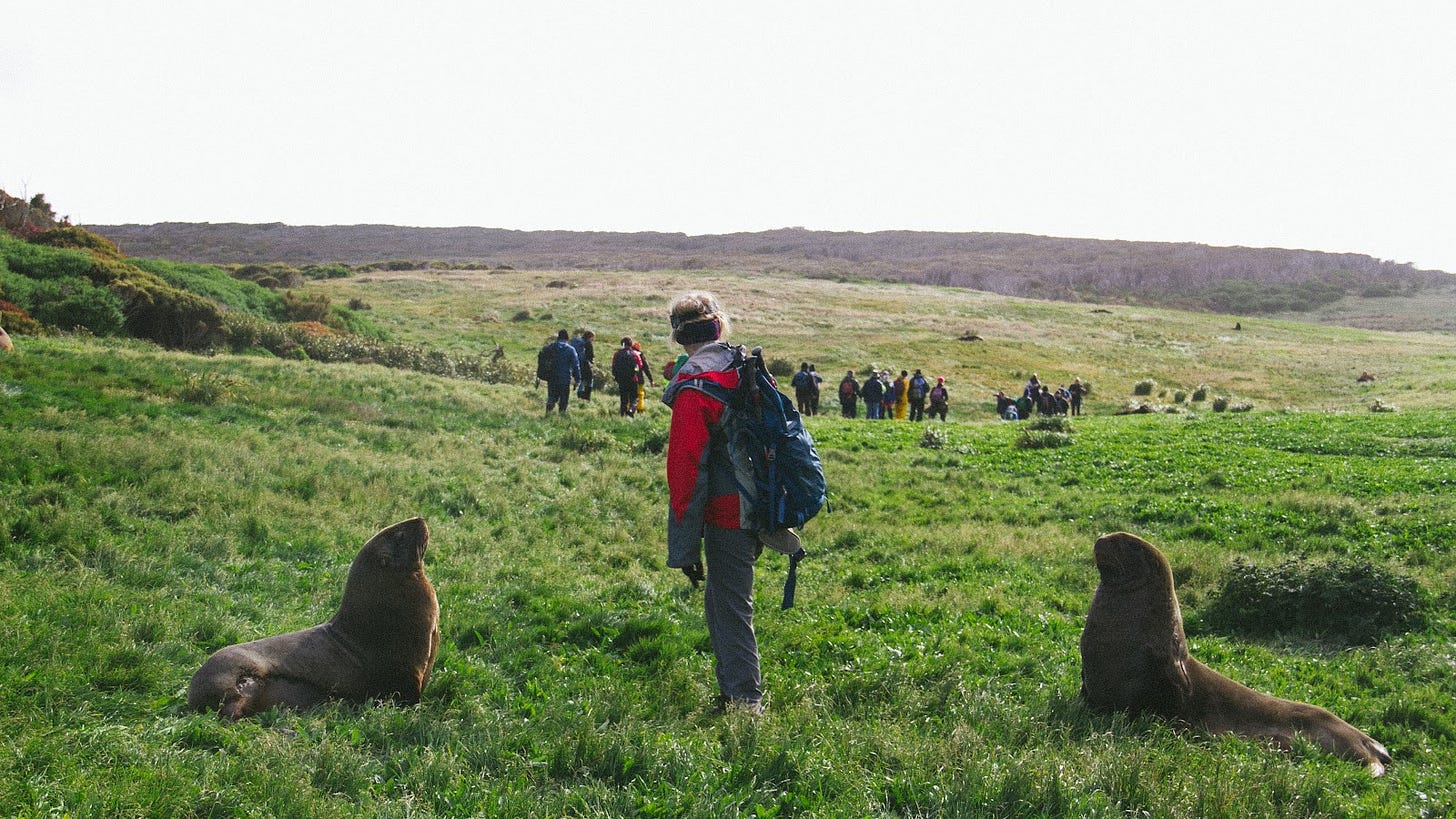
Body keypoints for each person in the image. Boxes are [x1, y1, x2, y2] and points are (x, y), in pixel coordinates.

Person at [660, 291, 765, 715]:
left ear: (679, 336)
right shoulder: (742, 366)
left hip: (726, 512)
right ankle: (735, 693)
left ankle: (745, 702)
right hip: (759, 501)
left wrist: (682, 548)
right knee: (725, 601)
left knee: (730, 605)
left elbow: (685, 474)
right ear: (718, 326)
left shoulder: (695, 387)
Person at [542, 329, 580, 416]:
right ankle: (561, 416)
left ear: (558, 338)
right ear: (567, 338)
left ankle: (548, 414)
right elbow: (576, 366)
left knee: (551, 397)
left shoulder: (550, 347)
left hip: (552, 377)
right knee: (564, 399)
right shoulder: (571, 350)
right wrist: (578, 379)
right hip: (565, 378)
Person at [612, 336, 642, 416]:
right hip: (633, 379)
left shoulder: (617, 354)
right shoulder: (635, 354)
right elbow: (640, 366)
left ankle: (622, 414)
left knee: (623, 398)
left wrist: (616, 377)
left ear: (622, 344)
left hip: (621, 379)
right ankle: (631, 410)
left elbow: (614, 366)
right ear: (631, 344)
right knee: (634, 398)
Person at [570, 330, 596, 400]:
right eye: (592, 338)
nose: (593, 340)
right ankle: (586, 396)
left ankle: (580, 396)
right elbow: (591, 356)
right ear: (590, 337)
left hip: (575, 363)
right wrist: (591, 363)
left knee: (581, 379)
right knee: (590, 380)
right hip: (584, 364)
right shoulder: (588, 343)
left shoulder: (577, 341)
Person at [632, 340, 655, 414]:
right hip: (640, 379)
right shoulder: (640, 355)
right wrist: (651, 380)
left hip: (630, 379)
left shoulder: (628, 354)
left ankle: (629, 409)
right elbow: (646, 368)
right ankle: (640, 410)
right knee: (640, 395)